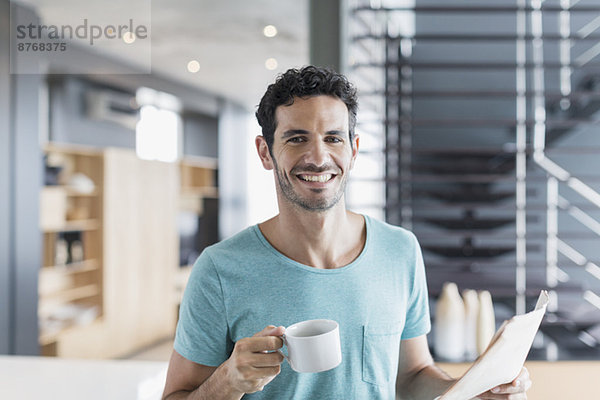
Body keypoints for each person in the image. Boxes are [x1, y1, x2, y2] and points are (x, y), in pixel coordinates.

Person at [162, 66, 532, 400]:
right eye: (296, 138)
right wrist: (228, 380)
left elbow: (411, 377)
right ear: (265, 152)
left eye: (334, 138)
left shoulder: (400, 250)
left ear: (354, 150)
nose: (319, 157)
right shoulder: (220, 269)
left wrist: (473, 392)